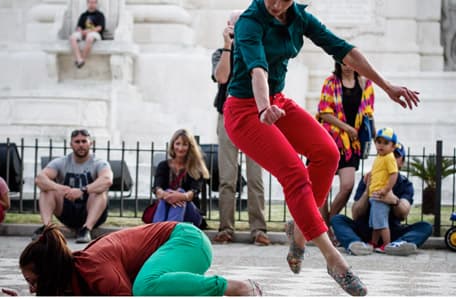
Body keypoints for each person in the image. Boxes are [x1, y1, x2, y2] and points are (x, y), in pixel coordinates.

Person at [224, 0, 419, 296]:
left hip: (275, 102)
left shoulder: (299, 17)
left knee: (328, 154)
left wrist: (387, 85)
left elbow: (345, 50)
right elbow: (258, 72)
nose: (277, 5)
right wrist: (264, 108)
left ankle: (301, 231)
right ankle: (334, 259)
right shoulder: (250, 21)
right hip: (245, 111)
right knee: (293, 173)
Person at [9, 222, 263, 296]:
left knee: (145, 289)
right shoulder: (71, 277)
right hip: (176, 250)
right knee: (149, 286)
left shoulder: (97, 269)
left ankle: (237, 287)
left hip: (187, 241)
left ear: (50, 273)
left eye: (33, 282)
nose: (32, 289)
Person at [211, 11, 270, 246]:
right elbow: (222, 78)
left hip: (255, 117)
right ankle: (226, 228)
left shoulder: (257, 50)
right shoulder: (220, 53)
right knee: (227, 177)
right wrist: (228, 47)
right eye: (233, 25)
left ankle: (259, 229)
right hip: (227, 116)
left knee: (255, 177)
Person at [331, 142, 433, 256]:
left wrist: (394, 201)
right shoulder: (369, 178)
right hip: (365, 228)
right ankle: (356, 244)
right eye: (387, 155)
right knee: (337, 219)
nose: (391, 158)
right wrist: (367, 192)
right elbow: (356, 213)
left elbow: (403, 214)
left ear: (402, 163)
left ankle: (398, 245)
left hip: (391, 230)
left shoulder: (404, 183)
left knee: (426, 227)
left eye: (396, 156)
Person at [317, 62, 376, 243]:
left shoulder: (365, 84)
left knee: (347, 186)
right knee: (323, 190)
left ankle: (328, 224)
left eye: (351, 62)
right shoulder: (331, 82)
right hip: (329, 139)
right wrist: (347, 127)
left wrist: (373, 134)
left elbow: (369, 113)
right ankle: (325, 232)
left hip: (351, 145)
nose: (347, 66)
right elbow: (323, 113)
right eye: (343, 62)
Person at [32, 129, 112, 244]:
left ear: (91, 143)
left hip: (92, 211)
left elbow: (107, 180)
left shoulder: (99, 163)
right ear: (71, 144)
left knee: (99, 191)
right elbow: (40, 179)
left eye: (84, 141)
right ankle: (46, 228)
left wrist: (82, 190)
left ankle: (86, 230)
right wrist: (59, 188)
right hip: (67, 210)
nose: (81, 145)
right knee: (47, 190)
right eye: (77, 142)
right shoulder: (61, 162)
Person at [152, 129, 209, 228]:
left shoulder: (196, 167)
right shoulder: (163, 166)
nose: (180, 148)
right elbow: (157, 188)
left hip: (191, 214)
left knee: (180, 191)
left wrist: (180, 196)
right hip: (165, 208)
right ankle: (164, 229)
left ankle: (159, 230)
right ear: (173, 145)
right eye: (178, 144)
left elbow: (194, 192)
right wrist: (167, 195)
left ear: (190, 147)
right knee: (166, 193)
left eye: (184, 144)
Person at [366, 128, 399, 253]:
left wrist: (386, 190)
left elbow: (393, 174)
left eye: (386, 143)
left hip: (380, 196)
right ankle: (373, 243)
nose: (381, 145)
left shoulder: (389, 157)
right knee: (376, 222)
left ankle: (387, 244)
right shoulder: (380, 157)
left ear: (393, 147)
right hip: (374, 195)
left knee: (381, 223)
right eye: (379, 142)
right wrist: (370, 173)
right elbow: (380, 171)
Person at [69, 0, 105, 68]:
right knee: (72, 38)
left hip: (95, 34)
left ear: (96, 4)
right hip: (83, 32)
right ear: (87, 3)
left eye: (94, 2)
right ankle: (79, 59)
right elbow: (79, 27)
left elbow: (100, 27)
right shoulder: (83, 15)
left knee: (89, 37)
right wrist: (81, 31)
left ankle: (82, 59)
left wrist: (89, 31)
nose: (92, 4)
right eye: (90, 2)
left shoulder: (100, 15)